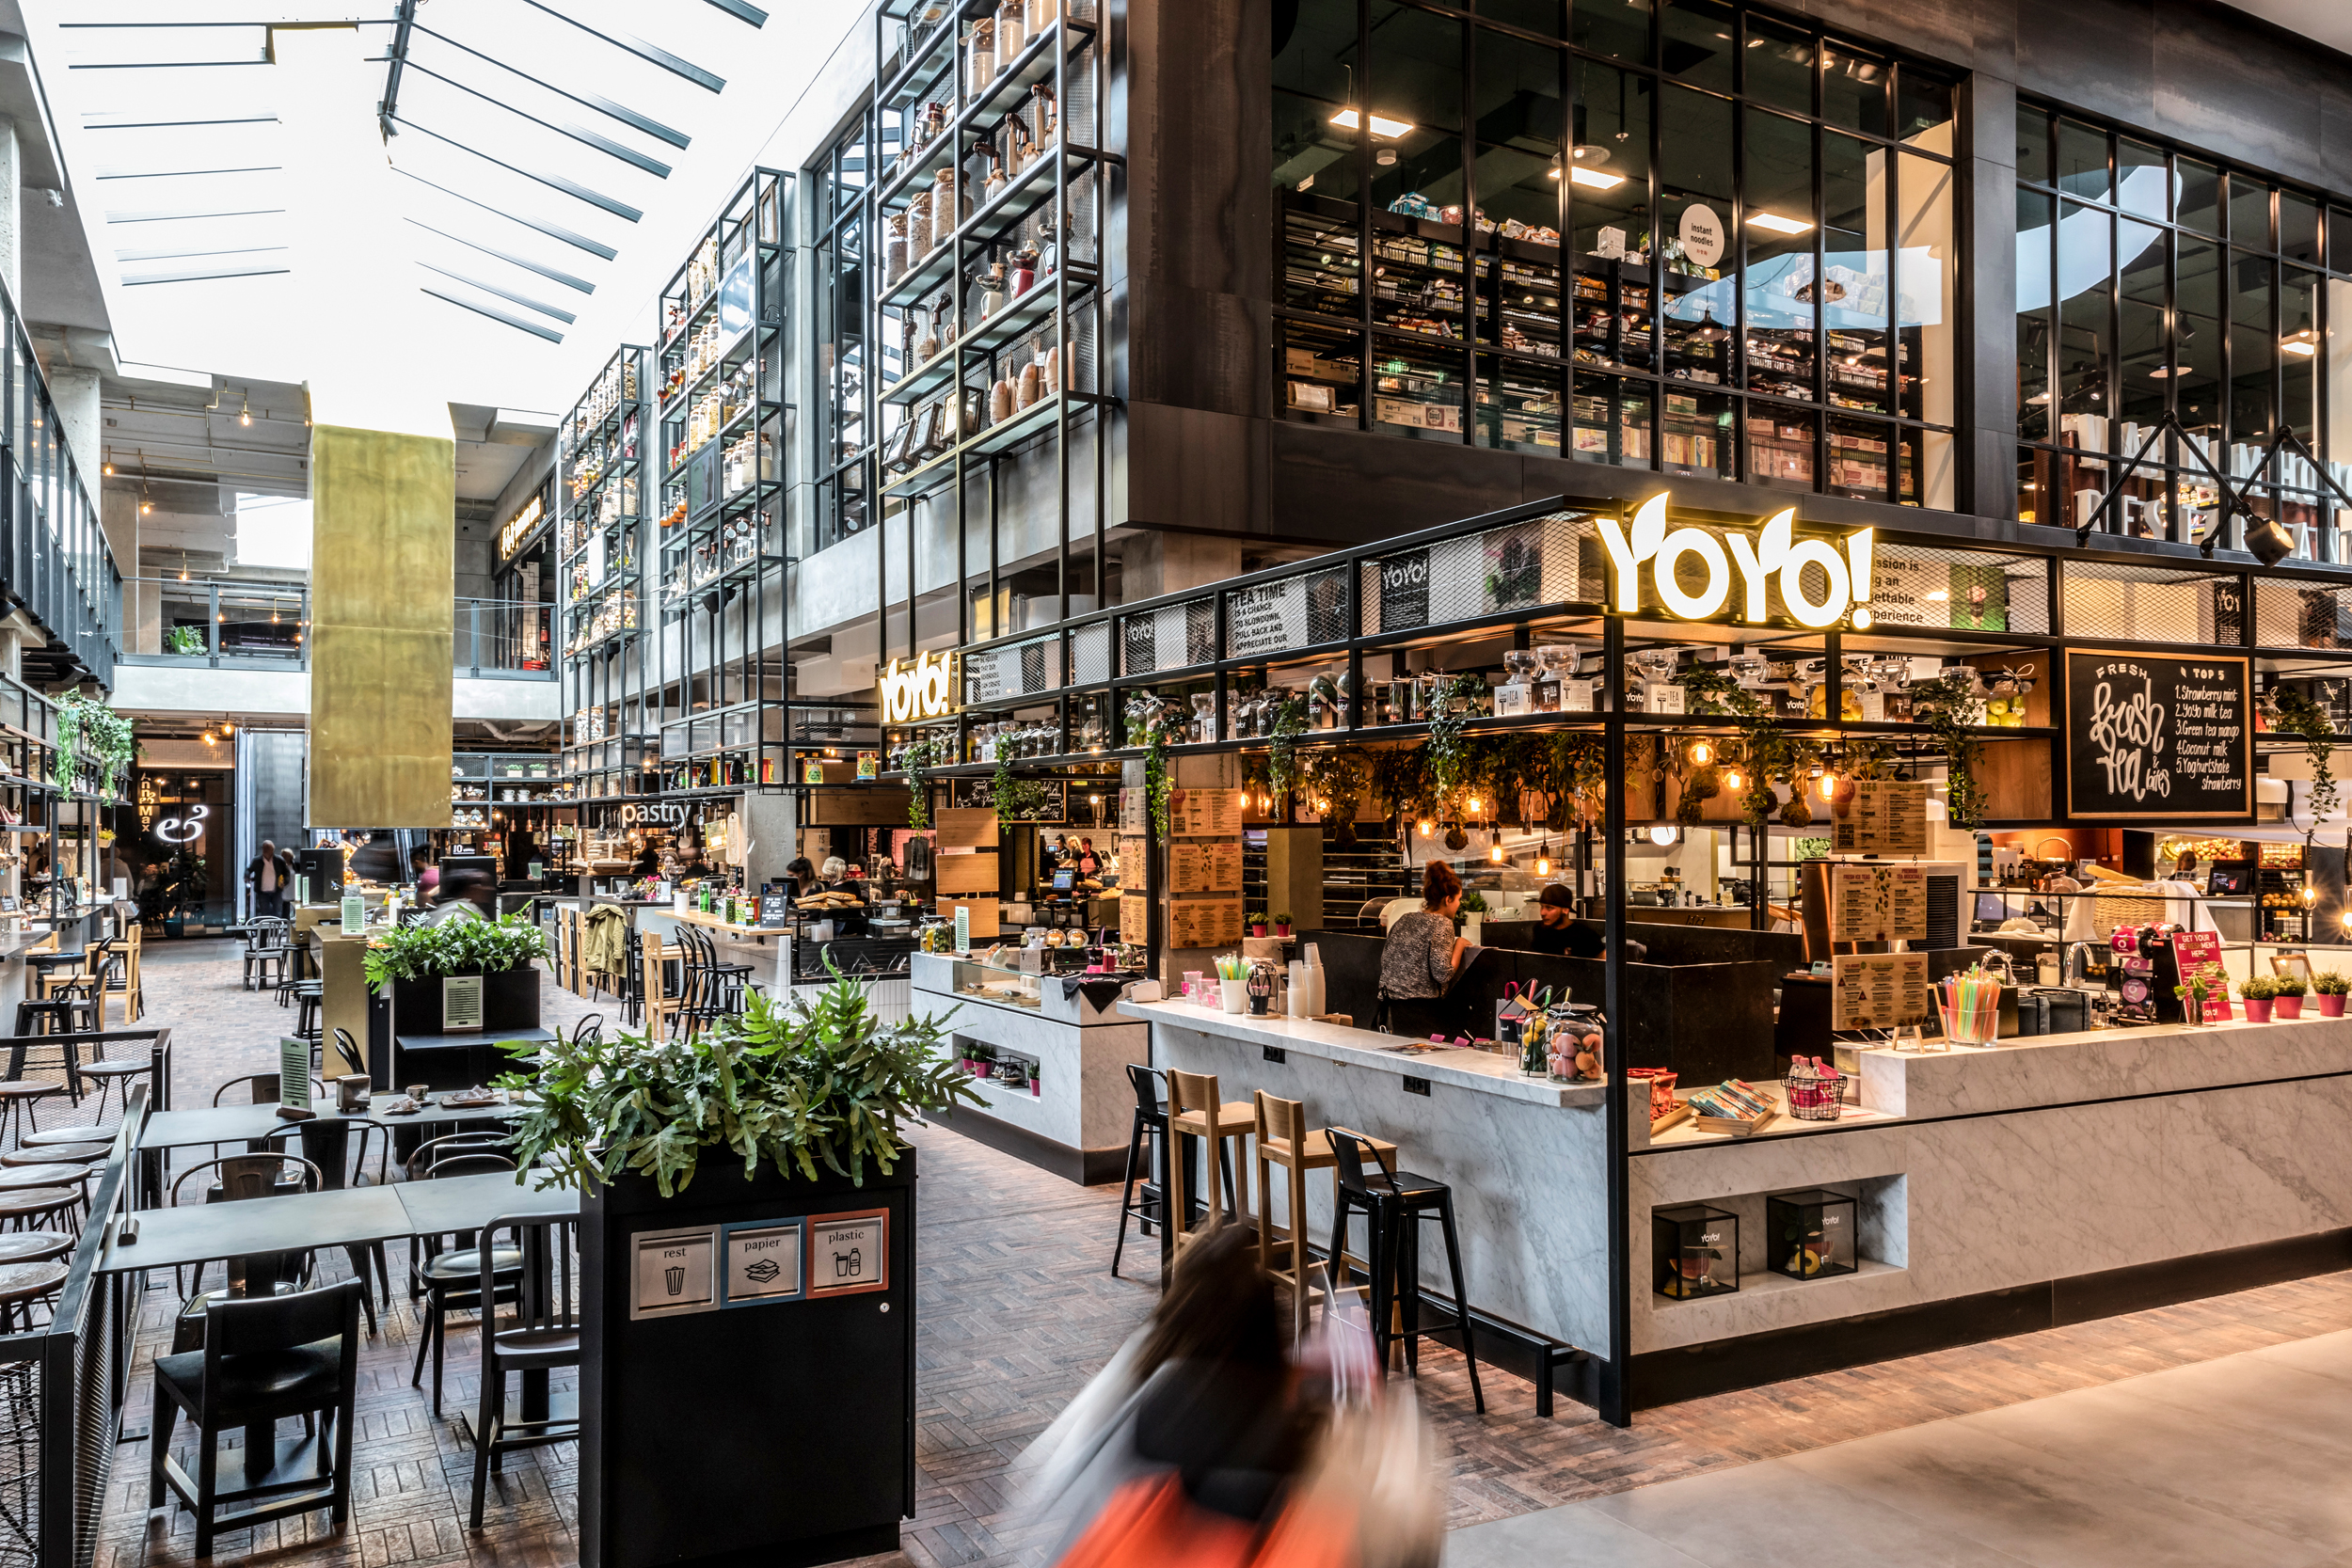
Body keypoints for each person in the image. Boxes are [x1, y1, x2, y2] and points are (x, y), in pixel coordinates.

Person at [1378, 863, 1470, 1038]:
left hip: (1390, 1008)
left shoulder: (1405, 919)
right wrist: (1459, 944)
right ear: (1448, 899)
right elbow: (1442, 973)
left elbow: (1386, 960)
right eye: (1458, 899)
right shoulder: (1442, 924)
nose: (1459, 904)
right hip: (1420, 1012)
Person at [1530, 882, 1602, 958]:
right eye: (1542, 907)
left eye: (1549, 908)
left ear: (1565, 910)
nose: (1542, 913)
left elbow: (1606, 962)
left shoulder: (1585, 936)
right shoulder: (1540, 930)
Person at [429, 867, 498, 924]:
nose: (490, 889)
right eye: (484, 884)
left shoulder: (470, 910)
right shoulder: (457, 916)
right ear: (470, 888)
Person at [245, 840, 294, 919]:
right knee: (265, 912)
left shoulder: (279, 860)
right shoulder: (257, 861)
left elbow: (286, 872)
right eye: (265, 848)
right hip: (262, 892)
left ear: (272, 850)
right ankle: (266, 930)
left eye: (268, 848)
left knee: (277, 911)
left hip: (276, 891)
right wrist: (247, 877)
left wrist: (285, 882)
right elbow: (249, 869)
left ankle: (277, 929)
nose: (266, 850)